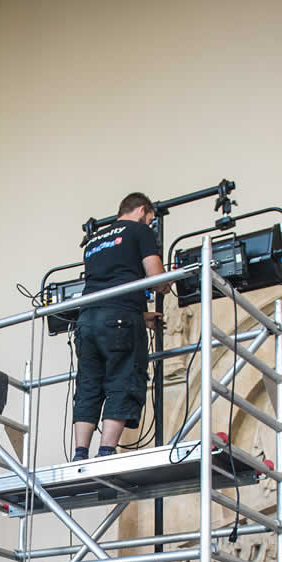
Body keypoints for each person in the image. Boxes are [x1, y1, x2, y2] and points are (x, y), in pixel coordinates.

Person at [72, 192, 167, 461]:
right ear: (142, 210)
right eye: (150, 219)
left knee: (89, 385)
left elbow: (108, 285)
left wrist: (141, 316)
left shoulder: (93, 241)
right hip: (120, 320)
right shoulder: (140, 230)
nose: (150, 224)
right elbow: (155, 276)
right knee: (123, 379)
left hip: (87, 321)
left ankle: (80, 453)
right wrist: (168, 283)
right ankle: (105, 452)